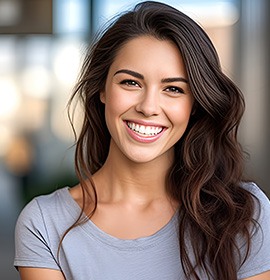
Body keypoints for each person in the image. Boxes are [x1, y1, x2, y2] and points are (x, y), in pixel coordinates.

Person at [14, 1, 270, 279]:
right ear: (102, 89)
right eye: (130, 83)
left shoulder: (244, 214)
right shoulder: (44, 223)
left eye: (173, 89)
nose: (149, 107)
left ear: (194, 104)